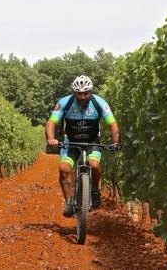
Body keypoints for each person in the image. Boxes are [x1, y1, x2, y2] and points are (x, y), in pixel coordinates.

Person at [45, 75, 121, 218]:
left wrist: (116, 142)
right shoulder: (65, 103)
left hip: (92, 141)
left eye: (86, 93)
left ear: (90, 92)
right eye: (79, 93)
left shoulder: (99, 103)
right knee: (64, 169)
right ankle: (69, 202)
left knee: (94, 164)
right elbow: (51, 122)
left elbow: (113, 124)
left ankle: (94, 190)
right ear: (75, 93)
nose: (83, 96)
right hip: (71, 141)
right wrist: (51, 138)